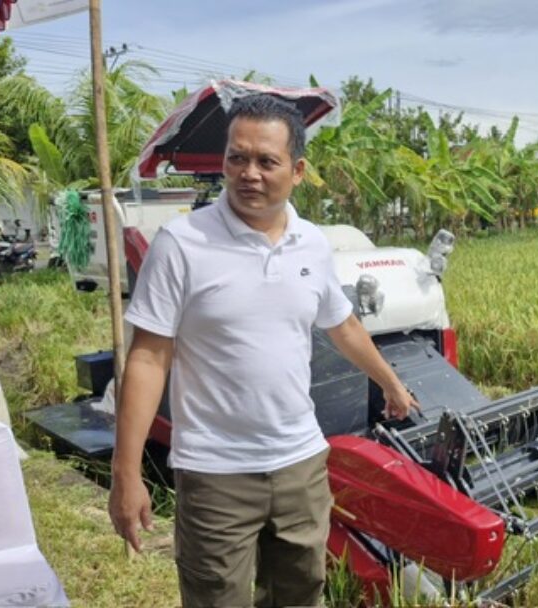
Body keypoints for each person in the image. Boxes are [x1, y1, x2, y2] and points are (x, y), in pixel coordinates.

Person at [108, 93, 419, 608]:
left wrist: (391, 384)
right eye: (237, 157)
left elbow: (341, 324)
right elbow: (147, 358)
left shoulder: (313, 243)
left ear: (296, 170)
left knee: (301, 595)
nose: (248, 173)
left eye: (266, 161)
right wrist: (126, 473)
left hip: (300, 464)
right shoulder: (182, 244)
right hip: (214, 473)